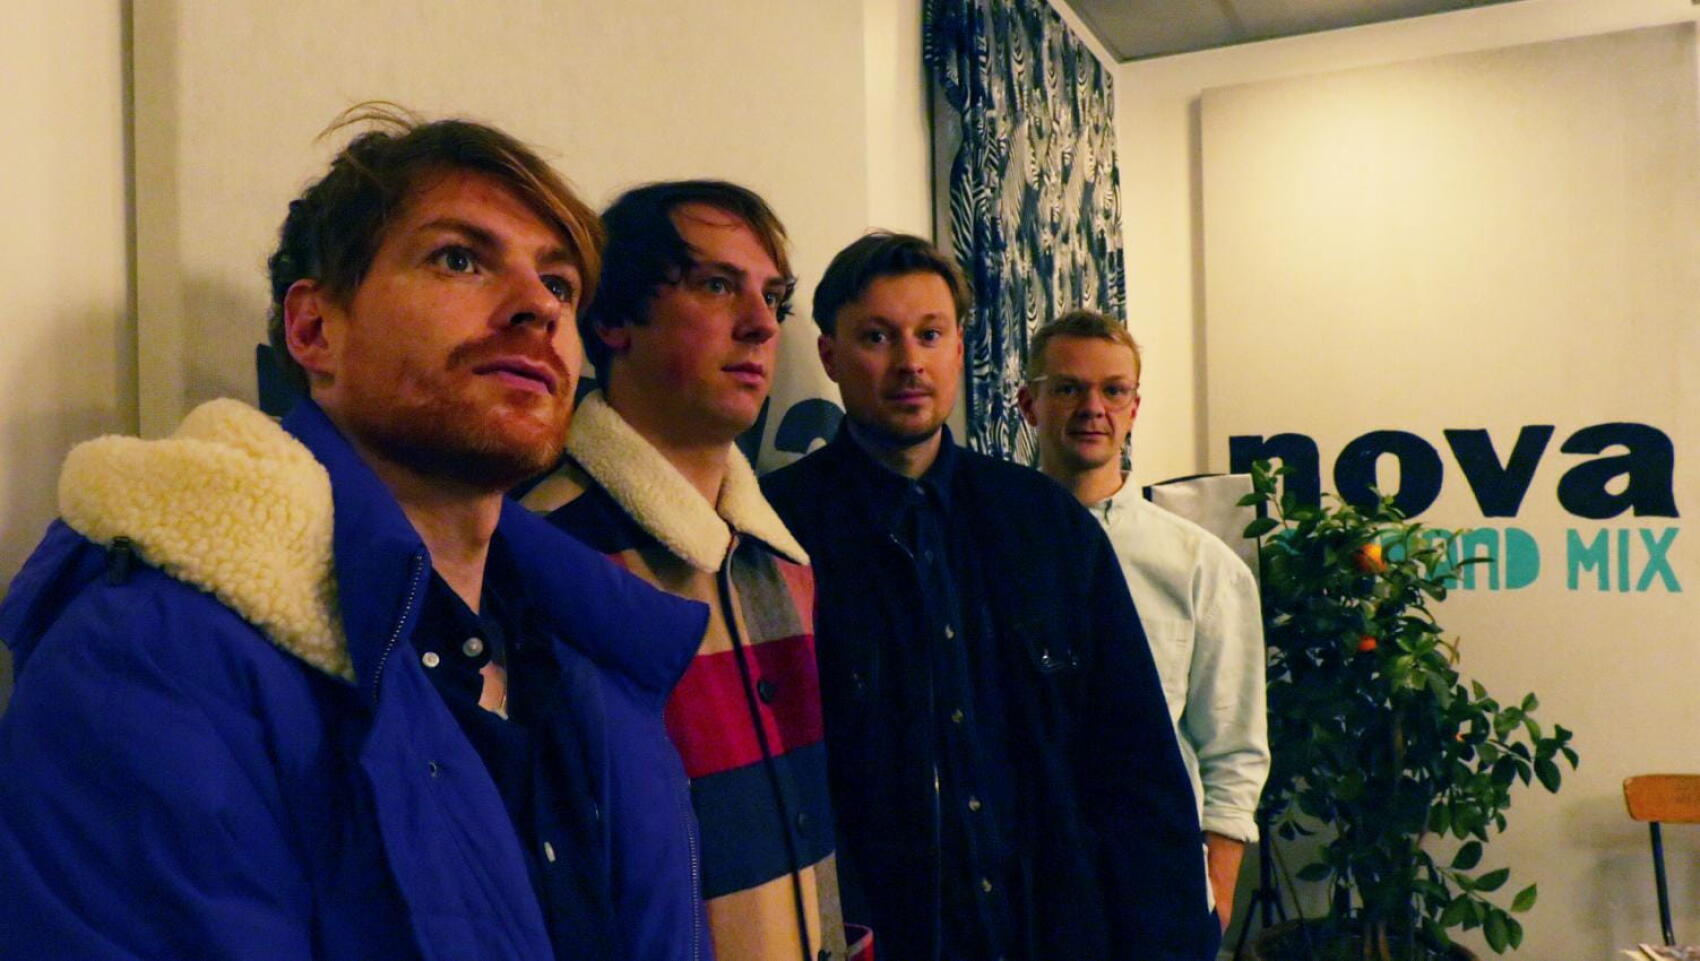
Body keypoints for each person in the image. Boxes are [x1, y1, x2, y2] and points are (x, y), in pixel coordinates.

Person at [0, 107, 710, 961]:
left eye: (558, 284)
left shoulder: (589, 653)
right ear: (314, 330)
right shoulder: (153, 654)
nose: (537, 308)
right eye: (460, 258)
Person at [762, 231, 1218, 961]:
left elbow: (1134, 761)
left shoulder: (1045, 522)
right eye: (877, 337)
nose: (909, 362)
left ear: (959, 347)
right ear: (829, 355)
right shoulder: (778, 530)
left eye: (930, 334)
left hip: (1050, 931)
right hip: (874, 936)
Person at [521, 180, 865, 961]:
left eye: (772, 296)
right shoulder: (544, 552)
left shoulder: (785, 560)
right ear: (613, 319)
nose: (762, 324)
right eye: (716, 285)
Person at [1018, 309, 1270, 931]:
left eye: (1113, 390)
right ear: (1029, 404)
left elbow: (1234, 748)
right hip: (1020, 888)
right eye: (1069, 388)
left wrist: (1216, 900)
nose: (1092, 408)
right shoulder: (984, 548)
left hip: (1152, 887)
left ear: (1134, 408)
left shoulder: (1202, 567)